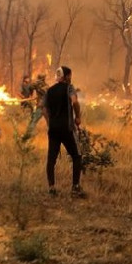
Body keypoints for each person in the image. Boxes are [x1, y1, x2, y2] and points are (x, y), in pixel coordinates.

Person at [43, 66, 85, 198]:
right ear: (66, 76)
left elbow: (43, 109)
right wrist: (78, 117)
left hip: (53, 129)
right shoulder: (69, 88)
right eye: (70, 75)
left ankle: (51, 188)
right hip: (67, 128)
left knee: (51, 158)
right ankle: (75, 187)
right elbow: (75, 102)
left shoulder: (49, 91)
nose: (70, 78)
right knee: (77, 156)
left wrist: (50, 123)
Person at [23, 74, 48, 140]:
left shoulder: (37, 83)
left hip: (41, 106)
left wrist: (30, 94)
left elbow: (30, 87)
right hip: (47, 107)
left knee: (33, 121)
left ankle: (26, 137)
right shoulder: (47, 86)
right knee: (50, 124)